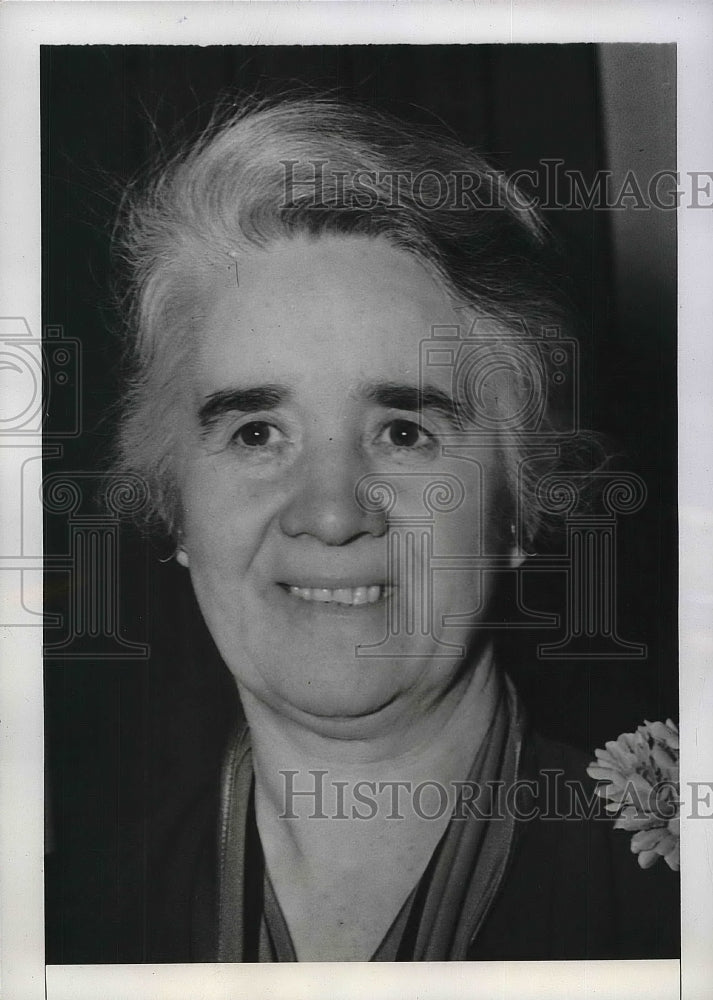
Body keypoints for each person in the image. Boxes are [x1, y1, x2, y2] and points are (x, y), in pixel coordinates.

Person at [75, 96, 681, 962]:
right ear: (174, 507)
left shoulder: (673, 905)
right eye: (257, 433)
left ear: (518, 505)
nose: (330, 513)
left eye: (403, 432)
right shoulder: (68, 924)